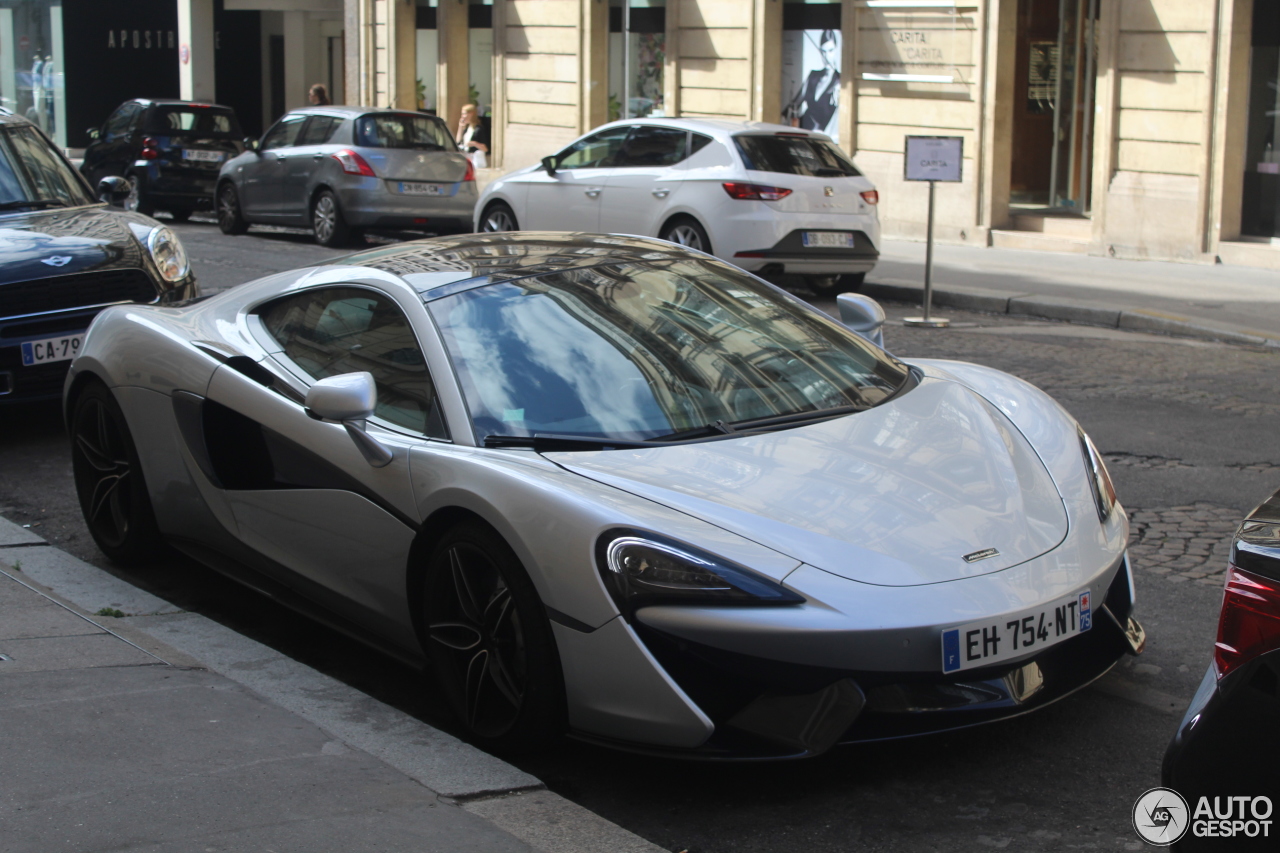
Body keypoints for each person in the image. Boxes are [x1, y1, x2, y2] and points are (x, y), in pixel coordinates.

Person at [782, 29, 840, 135]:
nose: (826, 56)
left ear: (836, 50)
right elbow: (794, 104)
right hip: (803, 132)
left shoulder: (839, 81)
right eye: (823, 51)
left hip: (821, 136)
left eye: (830, 50)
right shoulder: (813, 76)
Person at [455, 103, 489, 168]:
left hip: (475, 161)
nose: (462, 116)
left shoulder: (478, 129)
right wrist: (460, 127)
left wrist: (474, 144)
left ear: (471, 114)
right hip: (467, 160)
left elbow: (485, 149)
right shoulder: (467, 129)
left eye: (464, 114)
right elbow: (458, 142)